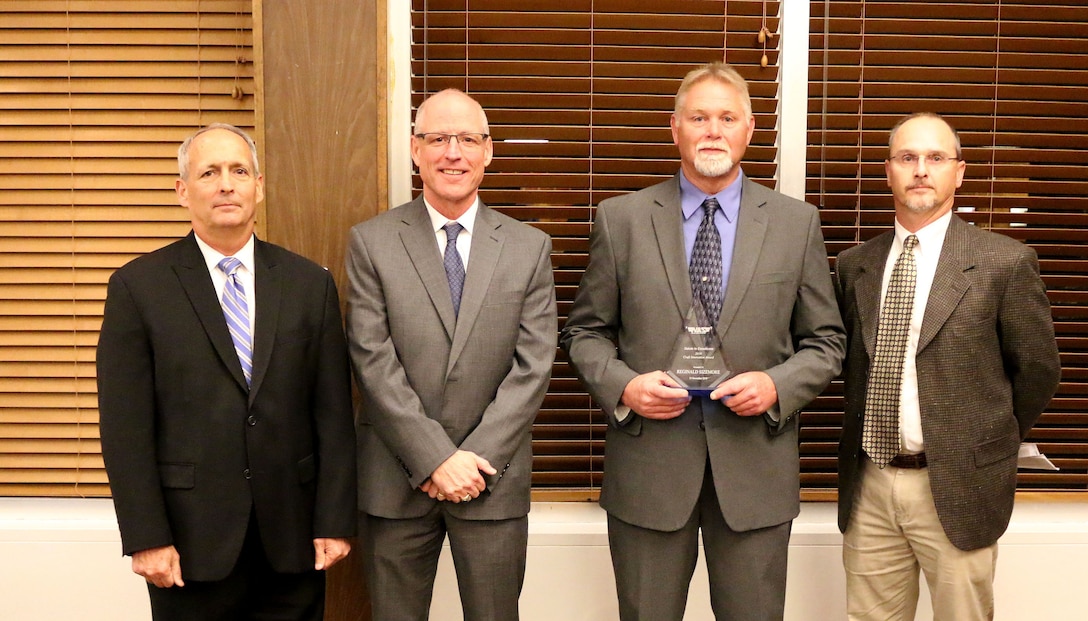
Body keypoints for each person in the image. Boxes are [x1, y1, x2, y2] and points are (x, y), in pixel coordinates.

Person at [559, 62, 846, 620]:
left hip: (756, 472)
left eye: (726, 117)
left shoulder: (795, 224)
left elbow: (827, 340)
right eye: (699, 118)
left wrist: (777, 384)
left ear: (749, 128)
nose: (712, 130)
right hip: (650, 469)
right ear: (675, 128)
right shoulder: (621, 220)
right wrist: (625, 388)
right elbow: (585, 331)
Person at [96, 123, 357, 620]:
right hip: (189, 545)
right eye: (209, 172)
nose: (226, 184)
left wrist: (334, 520)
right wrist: (146, 537)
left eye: (239, 171)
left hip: (293, 540)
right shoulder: (138, 288)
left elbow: (334, 416)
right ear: (182, 191)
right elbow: (125, 428)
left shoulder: (309, 284)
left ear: (259, 185)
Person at [834, 112, 1061, 620]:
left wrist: (987, 440)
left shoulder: (1004, 262)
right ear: (887, 171)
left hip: (959, 486)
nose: (920, 169)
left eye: (935, 158)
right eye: (907, 157)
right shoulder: (856, 266)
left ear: (958, 172)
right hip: (870, 483)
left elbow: (1038, 371)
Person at [345, 88, 557, 621]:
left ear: (488, 152)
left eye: (467, 139)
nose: (453, 153)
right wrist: (437, 458)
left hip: (493, 480)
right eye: (438, 138)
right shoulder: (372, 242)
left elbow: (533, 367)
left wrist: (474, 461)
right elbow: (372, 360)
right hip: (396, 480)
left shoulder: (529, 248)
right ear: (415, 150)